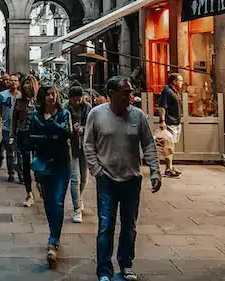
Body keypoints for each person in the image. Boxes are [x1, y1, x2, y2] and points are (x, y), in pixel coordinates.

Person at [84, 77, 162, 281]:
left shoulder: (138, 116)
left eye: (130, 92)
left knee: (129, 225)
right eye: (124, 93)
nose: (129, 96)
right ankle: (104, 270)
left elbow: (148, 145)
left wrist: (155, 170)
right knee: (106, 225)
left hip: (131, 179)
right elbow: (89, 144)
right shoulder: (96, 114)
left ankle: (126, 264)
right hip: (107, 179)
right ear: (111, 94)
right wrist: (96, 170)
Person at [29, 82, 73, 268]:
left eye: (54, 93)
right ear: (42, 97)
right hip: (43, 163)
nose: (51, 97)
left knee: (58, 200)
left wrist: (48, 128)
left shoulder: (64, 113)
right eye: (48, 94)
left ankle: (54, 240)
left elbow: (66, 132)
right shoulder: (35, 115)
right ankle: (53, 231)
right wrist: (53, 134)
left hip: (62, 164)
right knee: (48, 202)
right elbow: (32, 137)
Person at [10, 75, 39, 207]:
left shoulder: (39, 100)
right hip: (23, 134)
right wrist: (12, 134)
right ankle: (29, 193)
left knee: (38, 164)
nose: (27, 87)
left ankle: (39, 183)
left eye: (29, 84)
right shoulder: (19, 100)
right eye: (25, 84)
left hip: (38, 137)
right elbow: (14, 119)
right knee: (25, 164)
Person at [66, 85, 93, 223]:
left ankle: (79, 197)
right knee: (75, 178)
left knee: (84, 178)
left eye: (79, 98)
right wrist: (71, 129)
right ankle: (77, 209)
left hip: (85, 146)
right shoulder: (65, 109)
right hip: (71, 146)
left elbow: (92, 125)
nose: (77, 101)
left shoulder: (88, 107)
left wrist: (82, 128)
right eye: (74, 99)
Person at [156, 73, 184, 178]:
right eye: (180, 80)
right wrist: (162, 121)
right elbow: (162, 107)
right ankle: (168, 169)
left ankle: (171, 166)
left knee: (172, 146)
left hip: (175, 122)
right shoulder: (167, 91)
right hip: (169, 123)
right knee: (168, 147)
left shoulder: (175, 92)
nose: (181, 83)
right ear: (174, 81)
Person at [0, 74, 21, 177]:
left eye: (15, 80)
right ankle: (11, 173)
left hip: (20, 128)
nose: (13, 82)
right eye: (11, 80)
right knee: (9, 151)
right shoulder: (2, 95)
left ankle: (20, 173)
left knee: (19, 152)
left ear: (18, 82)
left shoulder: (21, 96)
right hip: (7, 128)